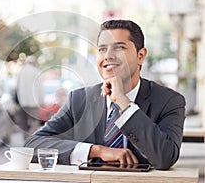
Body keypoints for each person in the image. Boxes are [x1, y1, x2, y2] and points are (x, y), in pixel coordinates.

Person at [24, 19, 186, 170]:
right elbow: (31, 145)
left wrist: (124, 104)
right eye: (102, 49)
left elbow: (165, 157)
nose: (108, 55)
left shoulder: (169, 101)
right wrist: (96, 151)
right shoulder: (79, 100)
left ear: (140, 56)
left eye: (119, 47)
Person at [16, 56, 44, 134]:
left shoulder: (21, 72)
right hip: (34, 102)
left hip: (23, 102)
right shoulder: (36, 71)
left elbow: (17, 87)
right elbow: (40, 88)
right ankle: (33, 137)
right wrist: (42, 101)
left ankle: (25, 138)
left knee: (23, 122)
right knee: (35, 121)